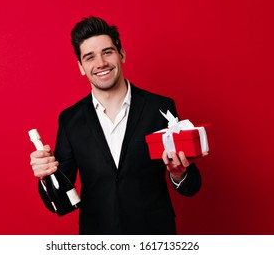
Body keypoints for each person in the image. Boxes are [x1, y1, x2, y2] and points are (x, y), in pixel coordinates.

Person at [30, 16, 204, 235]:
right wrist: (46, 177)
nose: (101, 63)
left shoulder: (160, 108)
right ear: (81, 67)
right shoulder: (70, 120)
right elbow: (62, 200)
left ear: (121, 54)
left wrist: (179, 174)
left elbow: (192, 187)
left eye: (107, 52)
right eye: (90, 57)